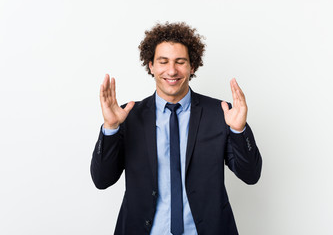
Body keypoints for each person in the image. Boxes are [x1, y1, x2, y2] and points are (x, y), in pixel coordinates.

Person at [91, 22, 262, 235]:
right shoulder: (127, 116)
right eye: (163, 61)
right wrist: (110, 128)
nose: (172, 70)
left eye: (180, 62)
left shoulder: (221, 114)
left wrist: (239, 131)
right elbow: (102, 180)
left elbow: (251, 175)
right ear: (151, 65)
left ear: (192, 66)